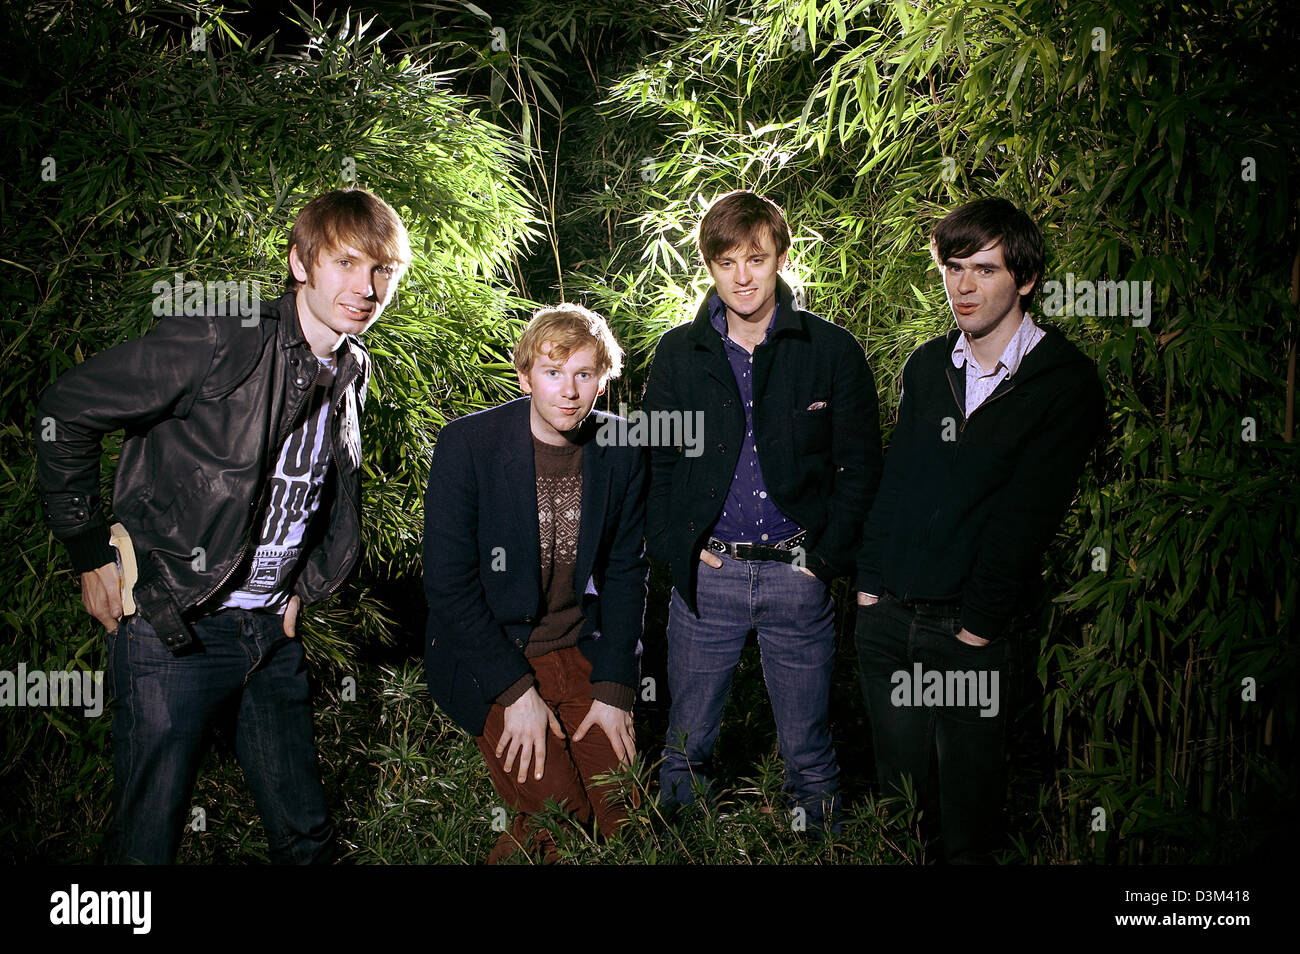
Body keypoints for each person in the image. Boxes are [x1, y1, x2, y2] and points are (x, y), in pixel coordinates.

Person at [35, 188, 411, 864]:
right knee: (146, 842)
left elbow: (325, 495)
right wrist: (89, 553)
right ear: (300, 262)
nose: (367, 287)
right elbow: (66, 409)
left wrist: (305, 588)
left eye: (384, 270)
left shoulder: (353, 367)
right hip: (174, 627)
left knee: (307, 836)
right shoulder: (222, 337)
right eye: (347, 264)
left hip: (270, 633)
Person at [854, 197, 1105, 863]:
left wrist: (978, 625)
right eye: (954, 267)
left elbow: (1029, 515)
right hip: (888, 622)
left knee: (968, 830)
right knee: (900, 817)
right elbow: (896, 480)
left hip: (968, 631)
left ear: (1023, 279)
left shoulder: (1063, 381)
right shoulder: (927, 366)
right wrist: (869, 587)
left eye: (985, 270)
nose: (963, 287)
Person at [643, 190, 882, 832]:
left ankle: (820, 846)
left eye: (756, 257)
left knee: (809, 755)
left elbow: (860, 470)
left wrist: (824, 560)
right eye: (727, 262)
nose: (742, 276)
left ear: (780, 256)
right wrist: (679, 551)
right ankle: (679, 848)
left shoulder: (830, 351)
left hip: (797, 575)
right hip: (708, 577)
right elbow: (656, 469)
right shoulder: (677, 354)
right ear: (709, 267)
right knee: (685, 752)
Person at [423, 303, 647, 863]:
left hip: (578, 649)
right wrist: (515, 692)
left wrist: (617, 685)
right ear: (525, 377)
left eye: (584, 374)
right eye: (553, 372)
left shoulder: (621, 447)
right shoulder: (469, 445)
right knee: (560, 822)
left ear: (603, 379)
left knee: (626, 820)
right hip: (495, 654)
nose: (569, 391)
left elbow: (625, 573)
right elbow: (449, 585)